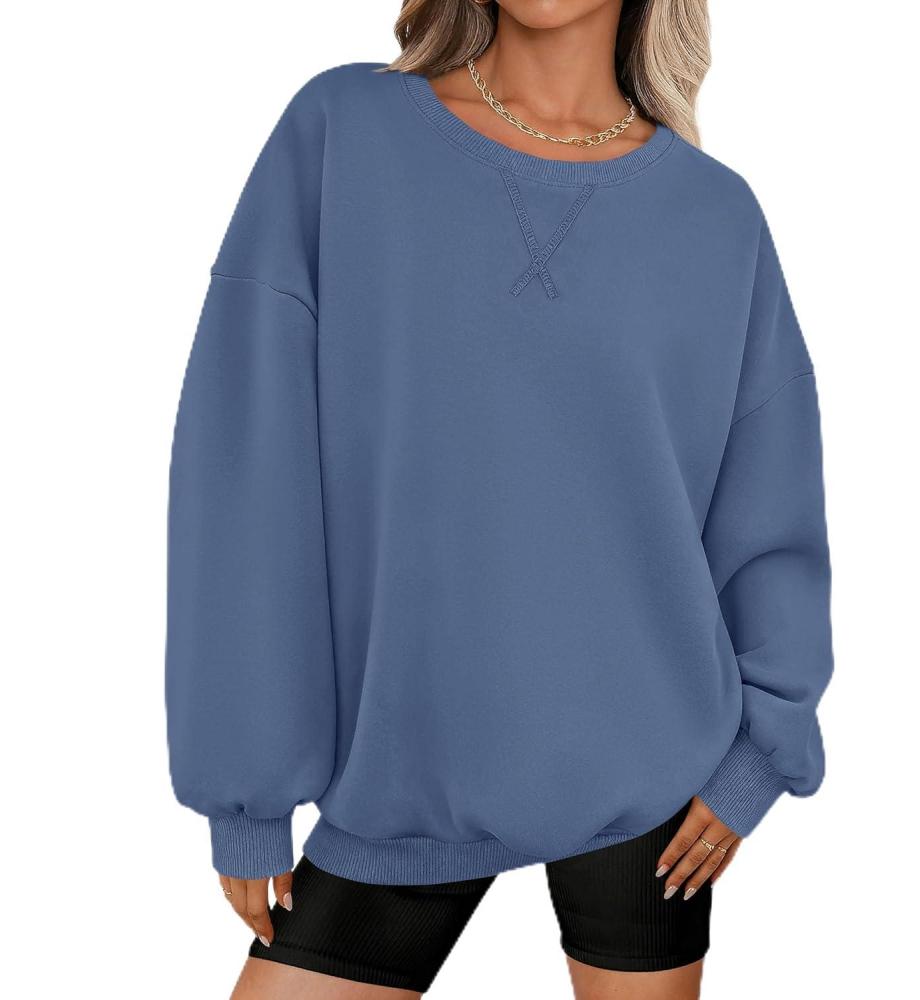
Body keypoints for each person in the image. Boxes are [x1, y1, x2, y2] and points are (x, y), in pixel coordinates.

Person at [165, 1, 834, 997]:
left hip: (651, 778)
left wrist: (758, 755)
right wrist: (245, 785)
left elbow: (767, 500)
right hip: (401, 771)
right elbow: (245, 468)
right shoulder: (344, 133)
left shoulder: (714, 215)